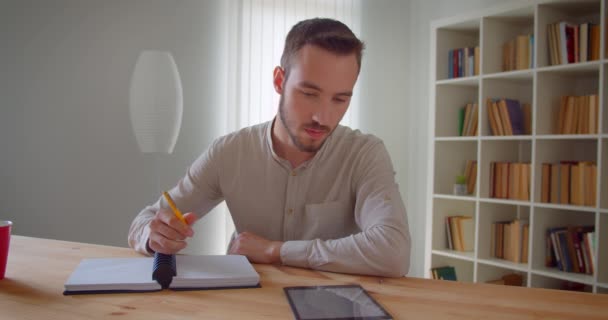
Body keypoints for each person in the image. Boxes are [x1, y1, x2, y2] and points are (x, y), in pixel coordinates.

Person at [128, 18, 411, 277]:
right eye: (309, 94)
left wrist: (275, 251)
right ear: (279, 81)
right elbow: (145, 221)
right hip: (250, 306)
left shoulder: (364, 154)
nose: (322, 118)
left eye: (340, 99)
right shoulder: (229, 153)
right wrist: (156, 236)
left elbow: (393, 252)